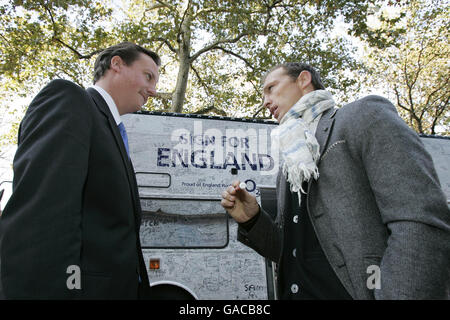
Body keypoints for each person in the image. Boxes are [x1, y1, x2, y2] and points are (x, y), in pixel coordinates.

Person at [221, 62, 450, 299]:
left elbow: (419, 221)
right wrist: (253, 220)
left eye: (271, 88)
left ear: (303, 80)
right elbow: (292, 253)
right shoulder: (289, 165)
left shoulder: (362, 117)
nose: (266, 101)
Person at [0, 42, 160, 299]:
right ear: (116, 64)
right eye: (148, 76)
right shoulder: (69, 100)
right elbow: (41, 222)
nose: (153, 90)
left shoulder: (114, 133)